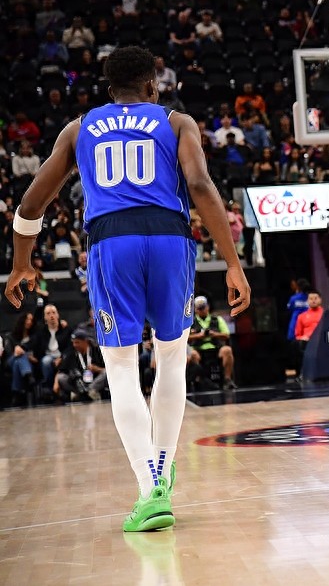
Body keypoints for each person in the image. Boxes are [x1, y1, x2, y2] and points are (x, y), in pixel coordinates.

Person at [4, 46, 250, 532]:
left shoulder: (79, 129)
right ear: (153, 86)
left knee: (119, 366)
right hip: (169, 239)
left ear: (108, 87)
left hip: (112, 243)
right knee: (171, 357)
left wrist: (20, 264)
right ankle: (163, 467)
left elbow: (31, 203)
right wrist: (233, 262)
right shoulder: (177, 122)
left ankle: (148, 488)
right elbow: (201, 186)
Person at [188, 296, 235, 390]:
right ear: (195, 309)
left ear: (208, 307)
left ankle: (227, 380)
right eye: (199, 308)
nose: (202, 310)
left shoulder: (217, 319)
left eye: (203, 307)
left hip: (216, 348)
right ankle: (198, 380)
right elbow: (185, 337)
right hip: (198, 349)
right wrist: (199, 336)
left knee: (227, 350)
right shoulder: (190, 322)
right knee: (192, 354)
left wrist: (214, 334)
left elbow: (226, 335)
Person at [56, 329, 107, 402]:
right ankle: (78, 393)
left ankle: (90, 392)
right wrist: (56, 383)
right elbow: (61, 370)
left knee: (106, 373)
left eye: (77, 342)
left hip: (95, 382)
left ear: (85, 341)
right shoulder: (71, 352)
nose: (75, 345)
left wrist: (97, 369)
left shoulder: (97, 350)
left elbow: (108, 369)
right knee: (61, 377)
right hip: (78, 383)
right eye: (73, 343)